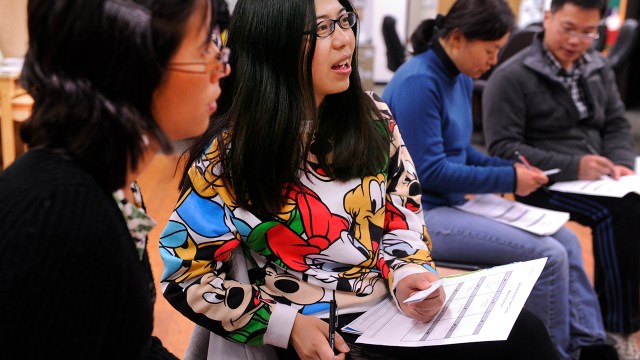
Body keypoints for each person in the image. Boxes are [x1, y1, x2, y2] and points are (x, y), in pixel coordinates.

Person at [159, 0, 560, 359]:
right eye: (322, 28)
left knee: (526, 333)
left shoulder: (373, 118)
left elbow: (403, 219)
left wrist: (409, 275)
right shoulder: (231, 154)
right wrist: (286, 326)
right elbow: (185, 275)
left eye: (344, 21)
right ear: (273, 43)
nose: (343, 40)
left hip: (387, 313)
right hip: (309, 331)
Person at [381, 0, 617, 359]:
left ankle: (591, 343)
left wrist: (509, 171)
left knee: (566, 240)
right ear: (458, 38)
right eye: (491, 51)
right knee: (549, 255)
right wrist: (507, 177)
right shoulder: (418, 82)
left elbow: (460, 152)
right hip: (423, 216)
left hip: (451, 203)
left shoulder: (457, 74)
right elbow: (427, 174)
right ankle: (557, 353)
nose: (493, 62)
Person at [0, 0, 228, 358]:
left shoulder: (111, 184)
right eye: (205, 49)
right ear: (133, 65)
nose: (221, 69)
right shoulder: (61, 218)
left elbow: (123, 342)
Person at [482, 0, 640, 358]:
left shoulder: (597, 66)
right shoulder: (512, 76)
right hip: (543, 182)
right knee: (621, 213)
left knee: (630, 203)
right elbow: (503, 149)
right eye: (568, 28)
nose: (577, 40)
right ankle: (617, 328)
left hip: (600, 177)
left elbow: (616, 123)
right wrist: (575, 166)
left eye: (588, 32)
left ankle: (615, 315)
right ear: (548, 18)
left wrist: (620, 162)